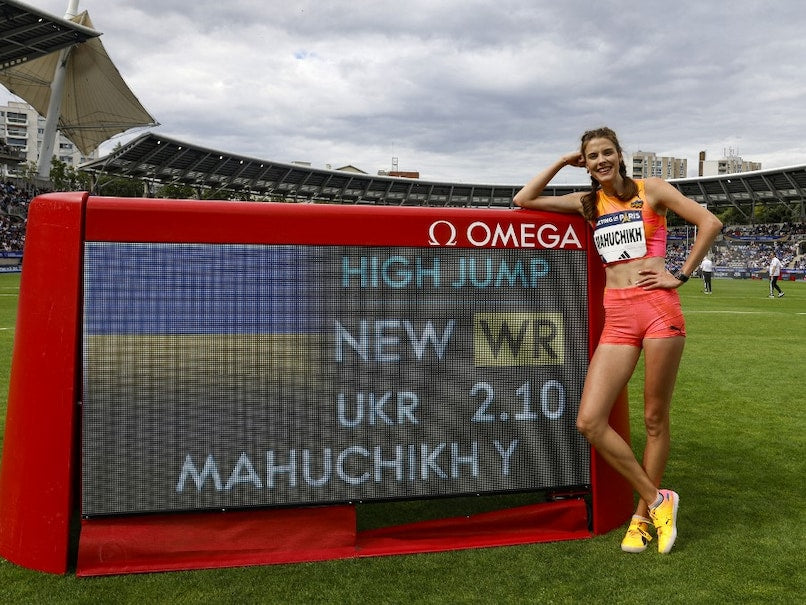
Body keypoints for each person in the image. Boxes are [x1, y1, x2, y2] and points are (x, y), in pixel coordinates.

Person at [513, 127, 722, 554]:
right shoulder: (588, 202)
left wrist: (680, 274)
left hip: (659, 309)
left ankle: (642, 520)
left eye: (607, 152)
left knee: (654, 419)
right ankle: (657, 497)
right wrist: (561, 161)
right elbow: (524, 199)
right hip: (619, 316)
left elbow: (710, 222)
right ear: (585, 164)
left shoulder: (653, 190)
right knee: (589, 420)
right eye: (592, 156)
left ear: (620, 155)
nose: (601, 160)